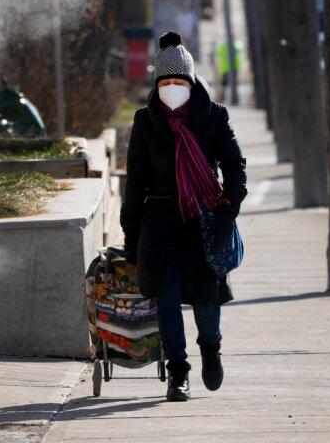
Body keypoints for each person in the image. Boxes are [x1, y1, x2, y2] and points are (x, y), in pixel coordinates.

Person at [121, 31, 247, 402]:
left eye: (179, 81)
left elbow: (235, 168)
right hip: (159, 222)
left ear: (191, 82)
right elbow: (136, 182)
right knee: (168, 297)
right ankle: (178, 371)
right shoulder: (146, 122)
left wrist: (226, 213)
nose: (172, 88)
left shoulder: (213, 116)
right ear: (156, 84)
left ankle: (210, 349)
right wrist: (132, 237)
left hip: (204, 220)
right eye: (166, 82)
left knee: (207, 299)